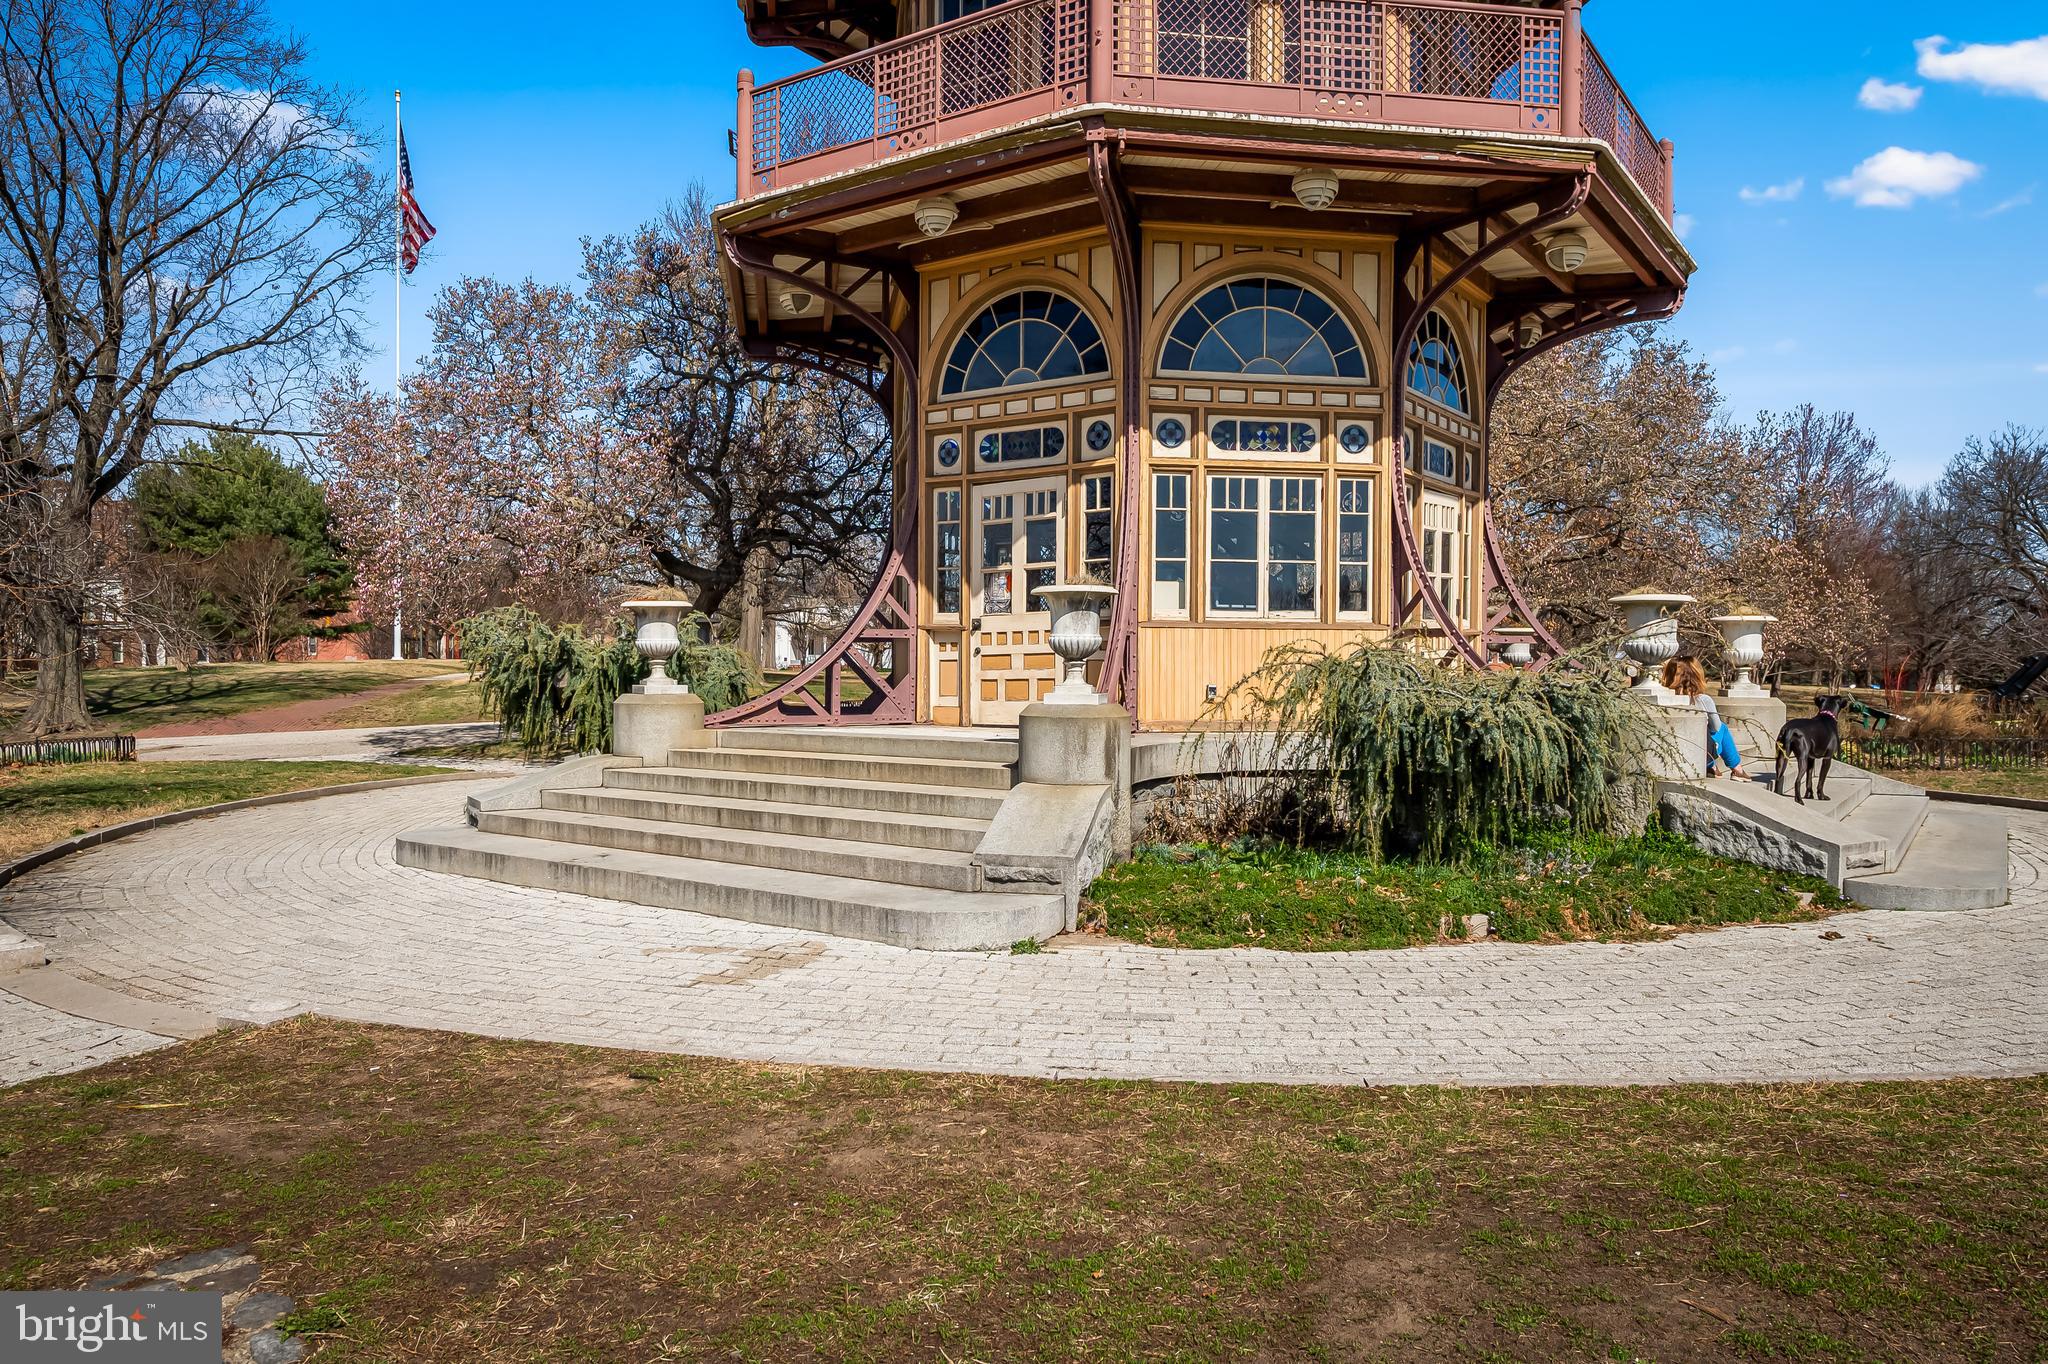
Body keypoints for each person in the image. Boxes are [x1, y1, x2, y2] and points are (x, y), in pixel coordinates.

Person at [1662, 656, 1749, 780]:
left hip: (1671, 750)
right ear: (1697, 675)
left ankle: (1713, 767)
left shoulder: (1664, 699)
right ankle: (1737, 769)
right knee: (1722, 729)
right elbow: (1716, 728)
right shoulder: (1703, 700)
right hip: (1700, 753)